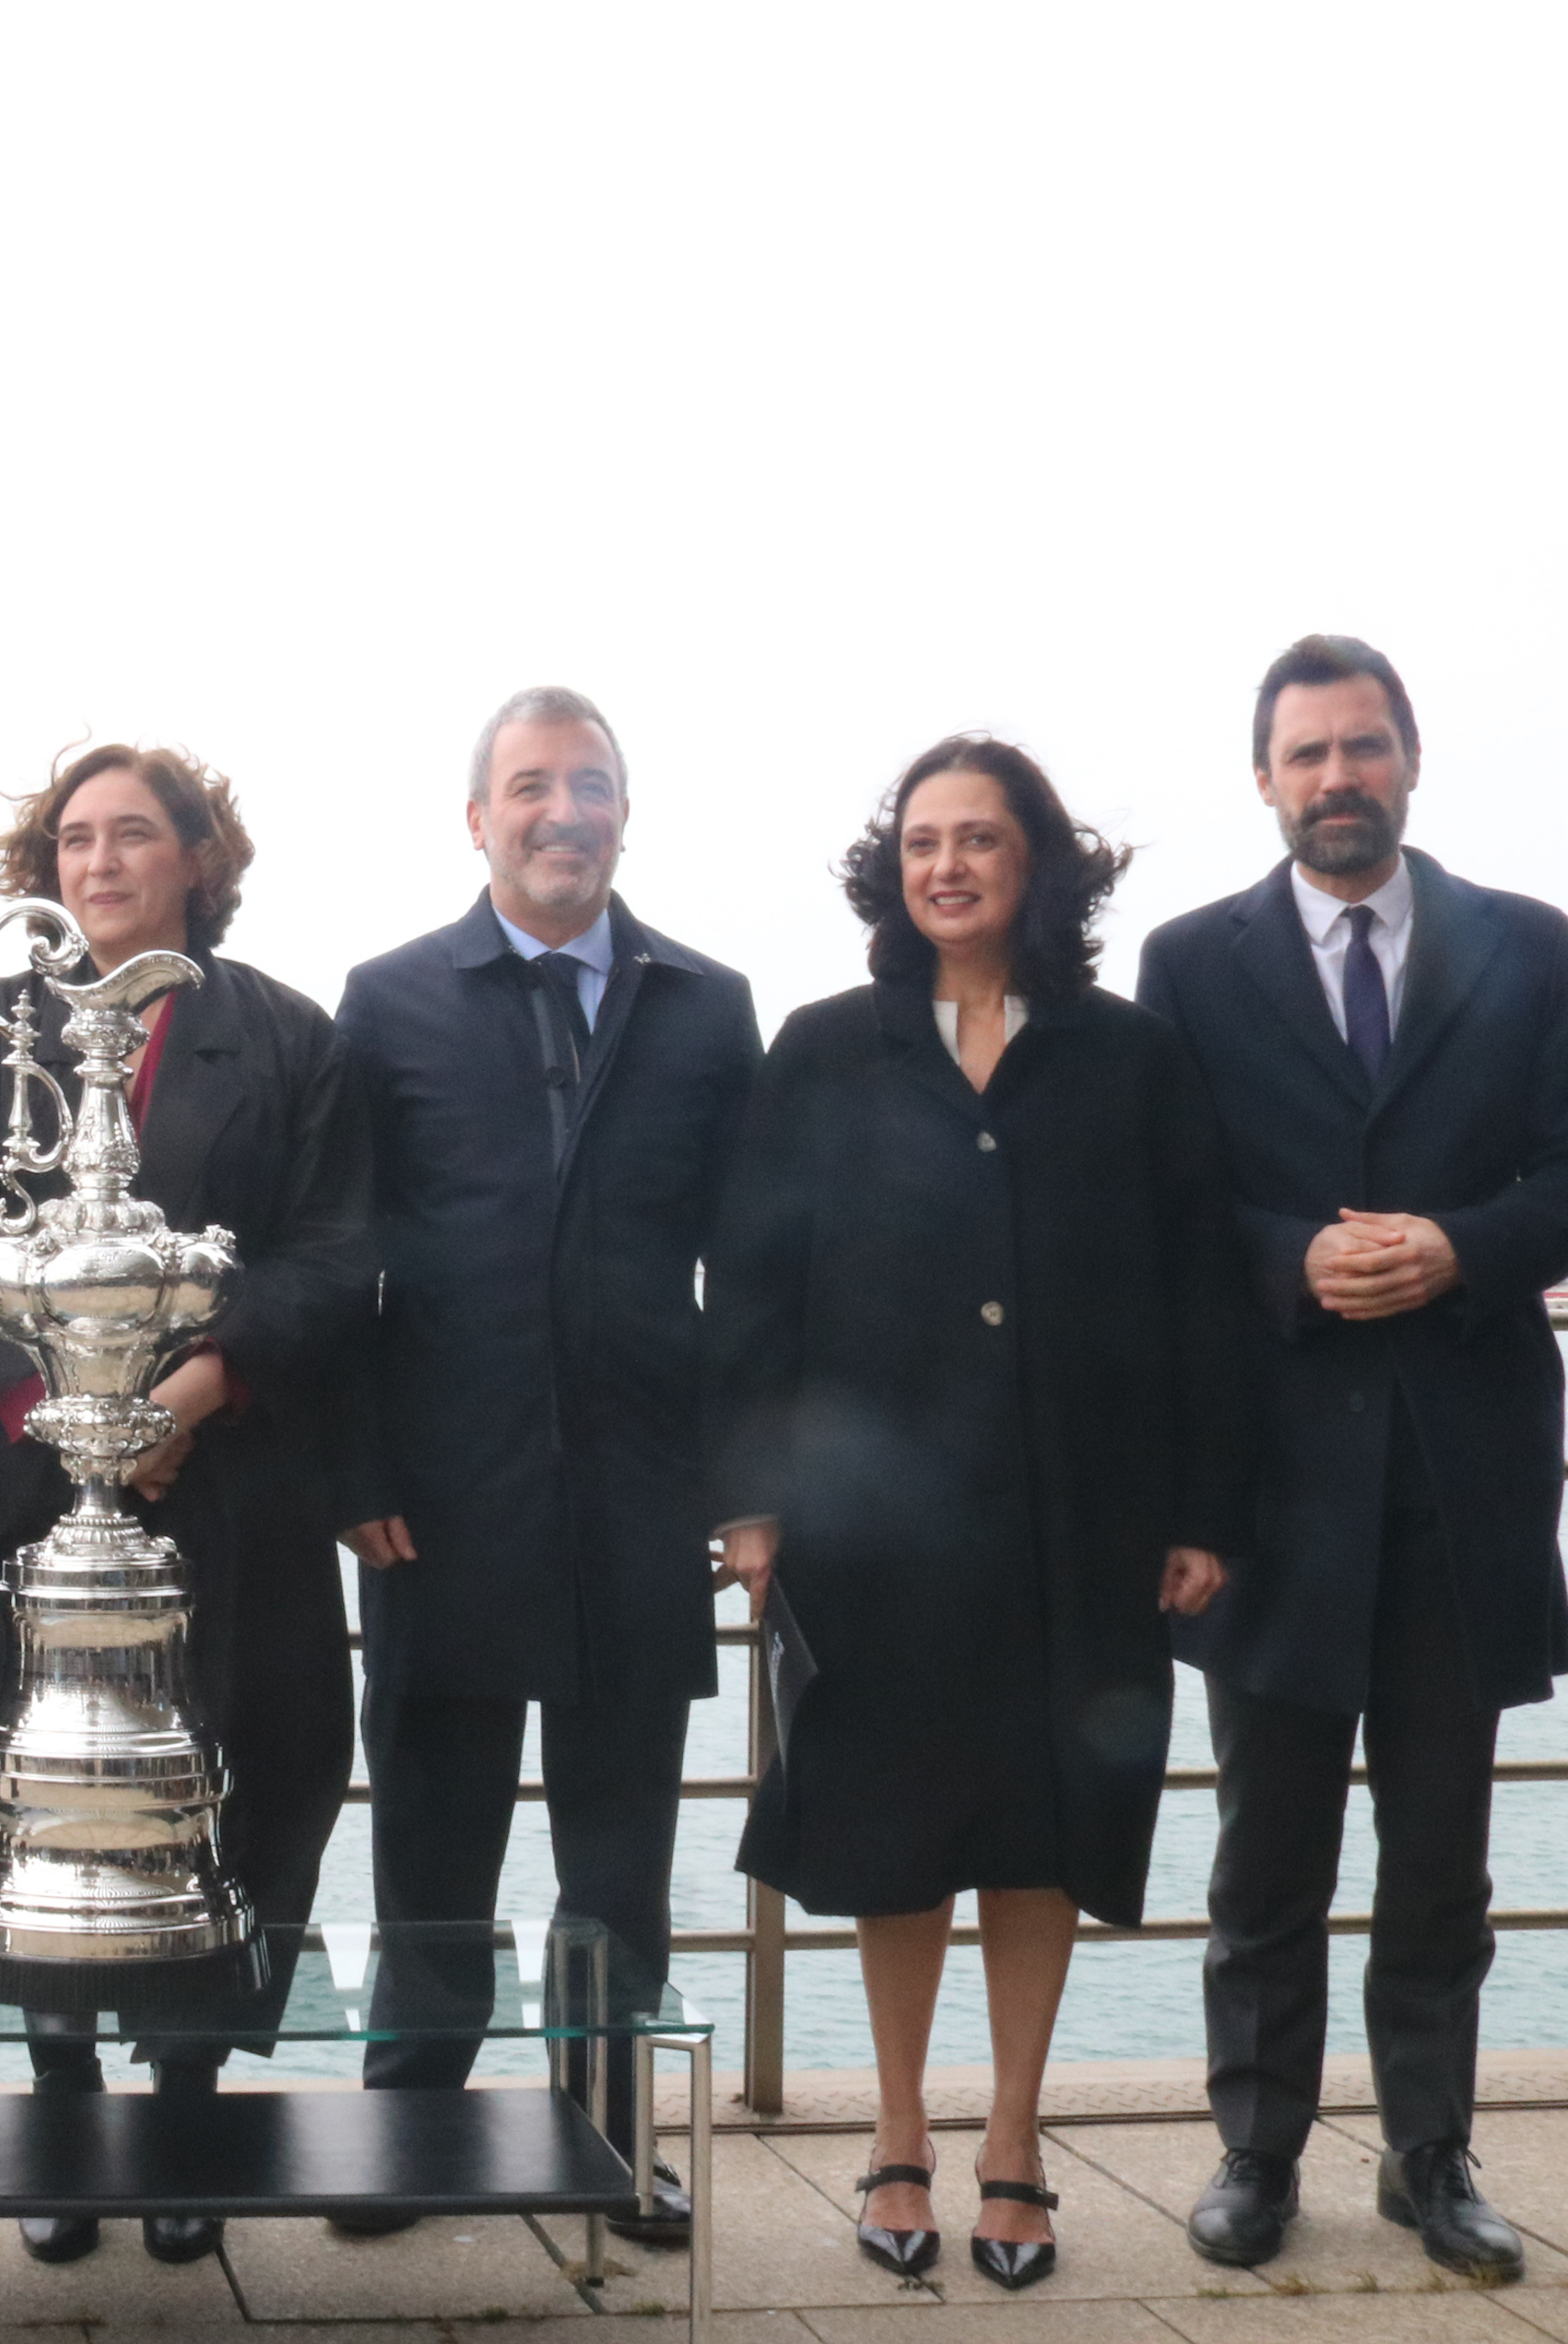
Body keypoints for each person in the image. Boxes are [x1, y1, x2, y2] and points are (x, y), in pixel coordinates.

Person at [0, 742, 378, 2269]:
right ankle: (59, 2100)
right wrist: (67, 1424)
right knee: (24, 1784)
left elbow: (331, 1254)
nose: (99, 863)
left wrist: (187, 1397)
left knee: (227, 1783)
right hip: (26, 1477)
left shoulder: (291, 1040)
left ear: (197, 859)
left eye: (132, 837)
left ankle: (181, 2111)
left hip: (233, 1484)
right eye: (75, 841)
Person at [709, 734, 1249, 2292]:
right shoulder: (821, 1048)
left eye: (983, 841)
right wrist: (748, 1498)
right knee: (892, 1833)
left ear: (1037, 865)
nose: (949, 866)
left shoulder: (1134, 1056)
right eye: (925, 842)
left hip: (1086, 1513)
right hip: (874, 1526)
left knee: (1042, 1832)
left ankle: (1014, 2141)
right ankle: (897, 2130)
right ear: (897, 870)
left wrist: (1206, 1506)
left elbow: (1201, 1291)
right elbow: (750, 1285)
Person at [1137, 636, 1568, 2282]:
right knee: (1267, 1847)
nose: (1339, 777)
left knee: (1445, 1850)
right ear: (1265, 777)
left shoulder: (1534, 947)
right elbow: (1174, 1201)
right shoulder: (1189, 962)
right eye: (1308, 752)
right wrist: (1291, 1259)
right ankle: (1256, 2149)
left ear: (1410, 758)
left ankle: (1433, 2151)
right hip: (1272, 1482)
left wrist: (1458, 1244)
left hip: (1467, 1470)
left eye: (1364, 746)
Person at [328, 687, 758, 2246]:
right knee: (431, 1845)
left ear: (626, 816)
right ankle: (411, 2134)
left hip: (642, 1508)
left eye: (589, 787)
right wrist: (356, 1463)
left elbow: (753, 1271)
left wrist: (750, 1485)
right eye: (529, 787)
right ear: (478, 818)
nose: (560, 812)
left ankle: (607, 2136)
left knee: (618, 1863)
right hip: (436, 1506)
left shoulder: (708, 1005)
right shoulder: (386, 1002)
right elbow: (343, 1257)